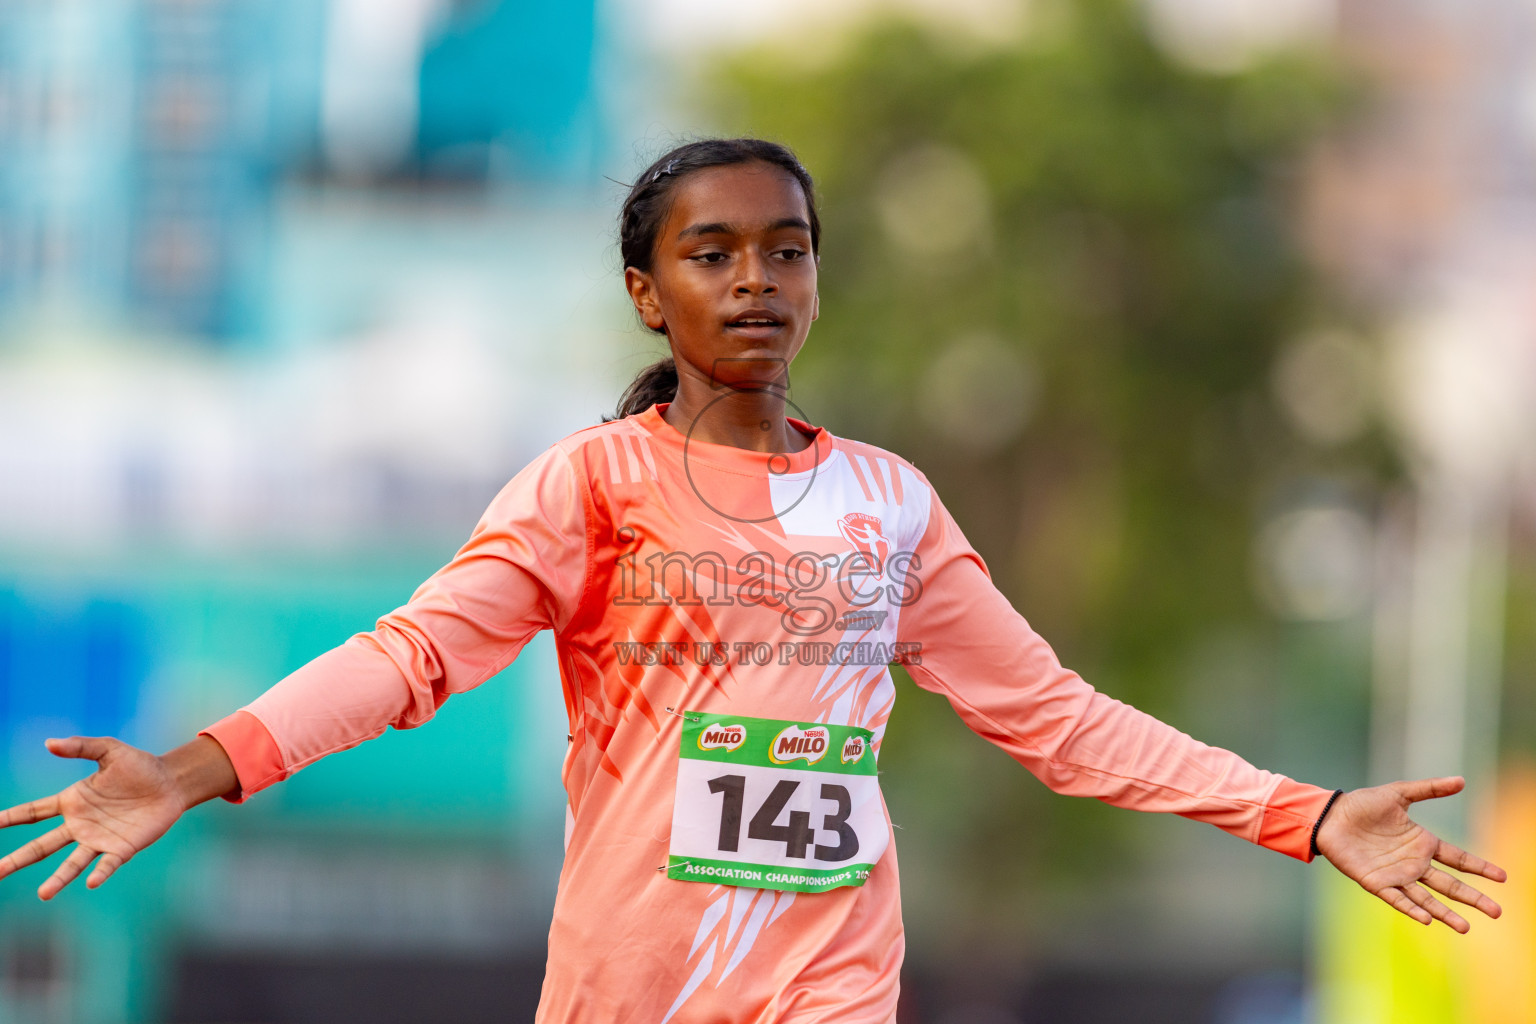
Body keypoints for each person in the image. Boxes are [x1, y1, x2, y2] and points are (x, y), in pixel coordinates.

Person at [0, 138, 1507, 1023]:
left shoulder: (889, 507)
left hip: (831, 982)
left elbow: (1057, 718)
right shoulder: (591, 488)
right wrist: (197, 768)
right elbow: (412, 659)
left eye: (785, 252)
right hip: (631, 988)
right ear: (649, 293)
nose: (757, 283)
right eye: (713, 255)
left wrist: (1300, 815)